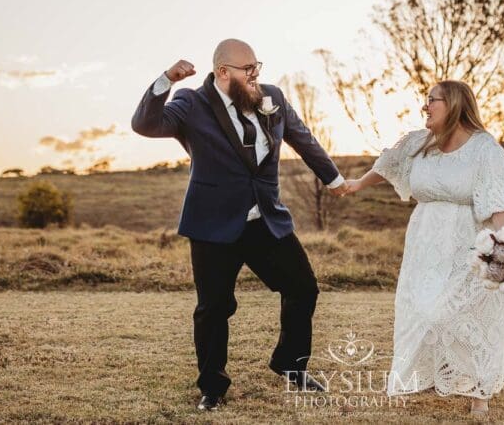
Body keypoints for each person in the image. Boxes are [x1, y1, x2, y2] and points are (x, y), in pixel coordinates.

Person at [131, 39, 349, 411]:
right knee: (213, 308)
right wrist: (167, 79)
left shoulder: (272, 97)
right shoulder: (191, 103)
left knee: (303, 288)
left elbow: (302, 138)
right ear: (223, 72)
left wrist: (335, 180)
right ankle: (212, 388)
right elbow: (146, 124)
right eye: (247, 69)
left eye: (257, 66)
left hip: (265, 219)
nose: (256, 75)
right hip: (212, 225)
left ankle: (290, 364)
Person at [344, 80, 504, 419]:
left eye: (432, 100)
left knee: (463, 314)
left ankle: (479, 393)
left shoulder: (485, 149)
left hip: (468, 242)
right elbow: (388, 162)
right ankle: (436, 377)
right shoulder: (420, 143)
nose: (426, 106)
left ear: (455, 104)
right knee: (422, 310)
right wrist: (358, 183)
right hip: (425, 242)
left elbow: (500, 205)